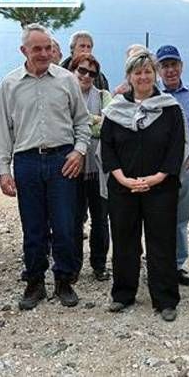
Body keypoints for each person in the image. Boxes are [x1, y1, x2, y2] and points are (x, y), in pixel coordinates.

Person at [0, 23, 90, 310]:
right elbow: (3, 131)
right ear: (24, 50)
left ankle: (64, 280)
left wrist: (79, 151)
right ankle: (34, 281)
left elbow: (82, 122)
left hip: (63, 161)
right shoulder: (10, 84)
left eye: (48, 48)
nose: (45, 53)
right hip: (27, 161)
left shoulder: (67, 80)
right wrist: (3, 170)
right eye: (37, 49)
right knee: (32, 226)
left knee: (64, 225)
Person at [101, 50, 189, 322]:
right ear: (129, 76)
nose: (143, 77)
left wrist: (157, 177)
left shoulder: (170, 109)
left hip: (160, 188)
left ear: (155, 74)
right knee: (124, 240)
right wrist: (122, 179)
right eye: (137, 72)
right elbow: (107, 147)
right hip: (123, 187)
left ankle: (165, 299)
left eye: (148, 71)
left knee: (161, 242)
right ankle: (123, 294)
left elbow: (176, 147)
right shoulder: (115, 110)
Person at [156, 44, 189, 286]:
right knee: (157, 218)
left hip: (187, 168)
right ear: (158, 70)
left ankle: (176, 265)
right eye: (165, 66)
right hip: (158, 170)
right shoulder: (152, 95)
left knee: (181, 218)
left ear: (181, 66)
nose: (170, 70)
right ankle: (158, 264)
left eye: (173, 64)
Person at [69, 53, 113, 282]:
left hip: (98, 169)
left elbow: (107, 126)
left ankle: (99, 264)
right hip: (72, 168)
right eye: (82, 70)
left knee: (100, 219)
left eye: (92, 73)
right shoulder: (64, 95)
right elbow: (64, 126)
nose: (86, 76)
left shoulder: (104, 96)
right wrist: (93, 119)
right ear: (73, 70)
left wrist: (80, 123)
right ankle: (73, 266)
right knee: (74, 220)